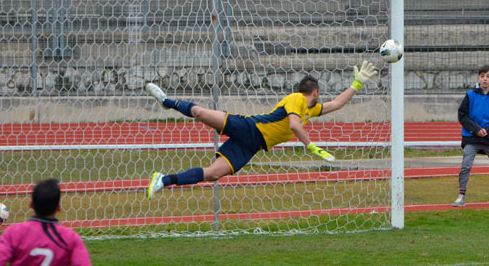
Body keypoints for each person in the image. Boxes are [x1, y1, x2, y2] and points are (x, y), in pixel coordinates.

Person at [145, 61, 378, 199]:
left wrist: (357, 84)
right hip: (250, 126)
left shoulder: (310, 110)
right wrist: (313, 147)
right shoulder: (296, 99)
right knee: (201, 113)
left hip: (252, 145)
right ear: (315, 92)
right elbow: (294, 125)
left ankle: (163, 181)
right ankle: (168, 102)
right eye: (320, 94)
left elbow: (336, 104)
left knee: (213, 174)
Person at [453, 65, 489, 207]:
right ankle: (461, 196)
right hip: (472, 138)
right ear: (478, 78)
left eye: (487, 76)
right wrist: (476, 130)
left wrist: (486, 130)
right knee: (466, 166)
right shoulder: (470, 95)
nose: (485, 79)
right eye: (482, 76)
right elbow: (462, 115)